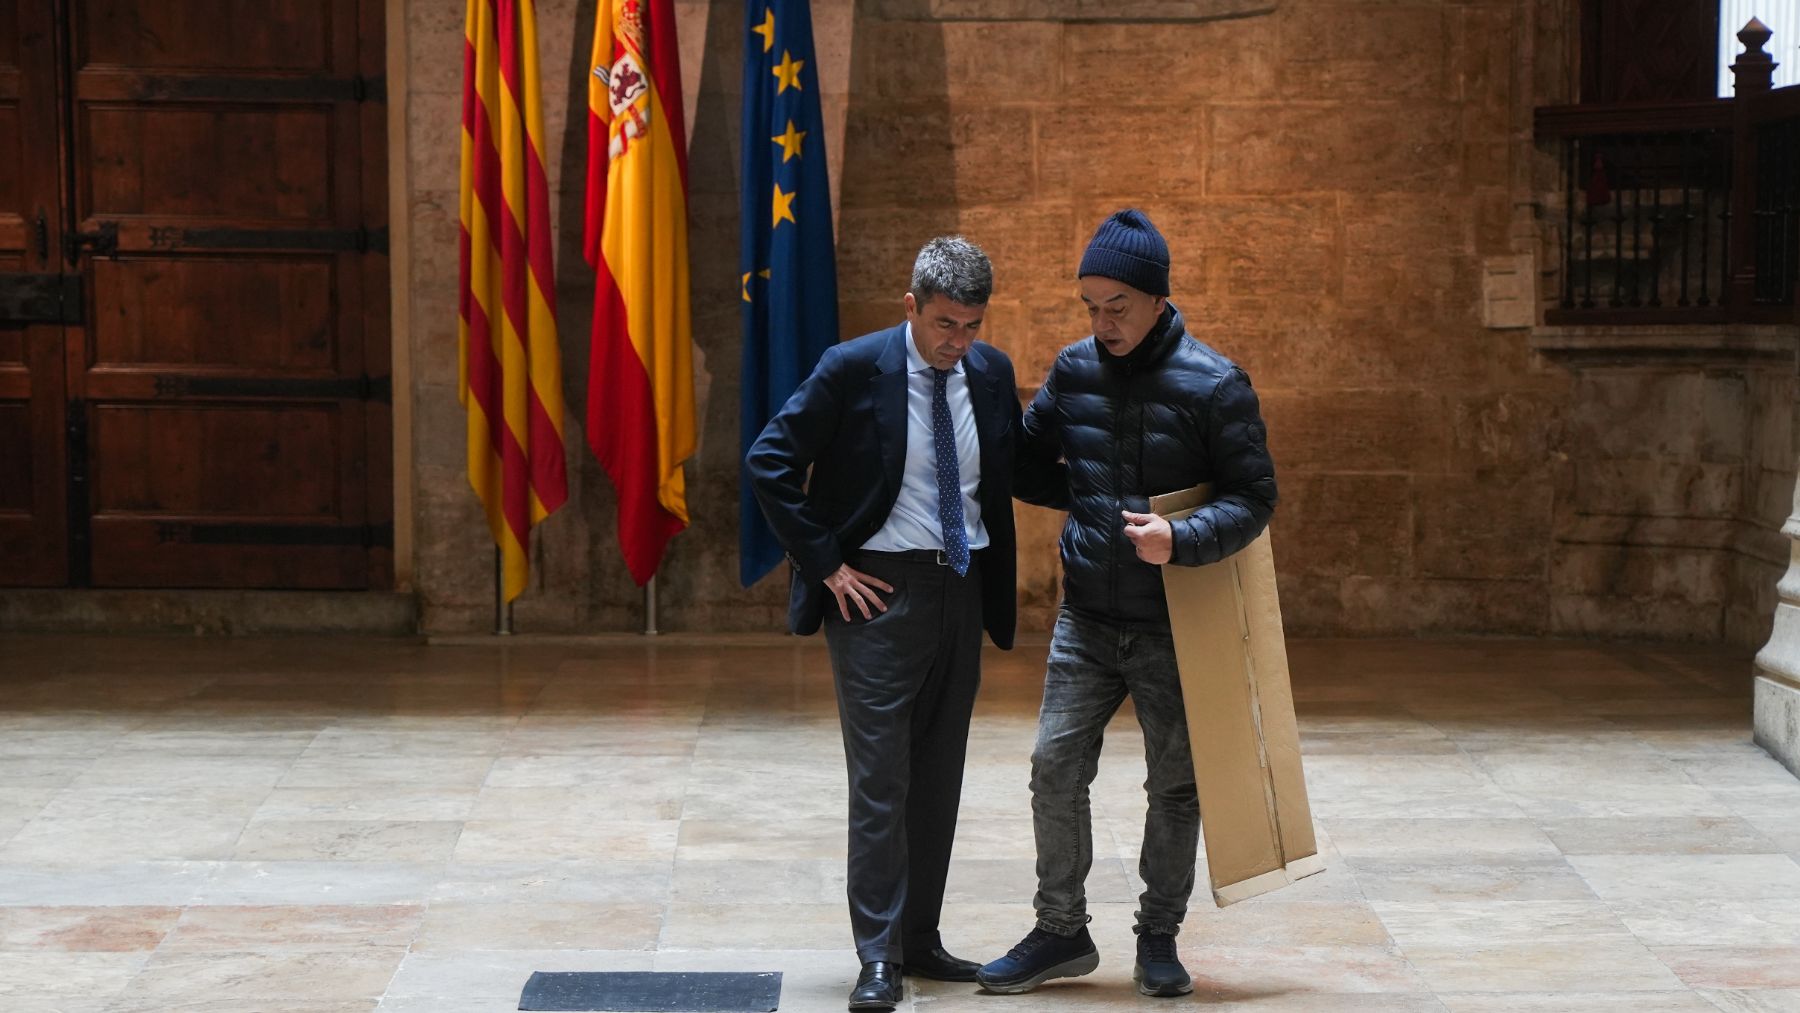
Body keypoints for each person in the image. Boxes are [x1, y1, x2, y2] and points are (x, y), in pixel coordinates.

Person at [977, 209, 1278, 999]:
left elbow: (1255, 497)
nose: (1102, 322)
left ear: (1156, 299)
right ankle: (1060, 929)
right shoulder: (1075, 370)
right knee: (1053, 766)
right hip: (1087, 615)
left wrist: (1181, 537)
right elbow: (1034, 461)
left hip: (1178, 621)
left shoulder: (1216, 383)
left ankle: (1158, 935)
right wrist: (1084, 502)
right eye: (1090, 306)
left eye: (1117, 306)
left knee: (1175, 785)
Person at [745, 236, 1021, 1012]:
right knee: (882, 782)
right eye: (943, 323)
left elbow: (1013, 468)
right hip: (876, 595)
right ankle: (877, 955)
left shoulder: (991, 375)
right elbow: (769, 460)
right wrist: (826, 563)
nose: (956, 341)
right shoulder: (852, 368)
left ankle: (921, 939)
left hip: (960, 591)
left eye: (970, 325)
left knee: (938, 776)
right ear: (910, 306)